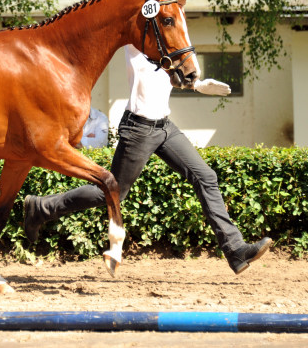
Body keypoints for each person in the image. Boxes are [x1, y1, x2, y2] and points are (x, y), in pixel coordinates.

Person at [24, 44, 272, 275]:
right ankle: (42, 207)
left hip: (164, 126)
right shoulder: (137, 42)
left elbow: (167, 77)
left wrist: (196, 85)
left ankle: (235, 249)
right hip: (139, 128)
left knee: (205, 176)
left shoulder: (167, 42)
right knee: (112, 194)